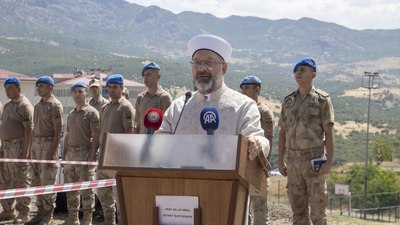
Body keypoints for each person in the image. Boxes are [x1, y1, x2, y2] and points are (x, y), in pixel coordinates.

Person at [158, 33, 270, 178]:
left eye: (209, 63)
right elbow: (159, 143)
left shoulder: (243, 106)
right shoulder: (179, 107)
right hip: (179, 187)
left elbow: (257, 139)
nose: (201, 68)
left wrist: (257, 143)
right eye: (197, 63)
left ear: (224, 68)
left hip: (225, 190)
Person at [277, 57, 334, 225]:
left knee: (318, 213)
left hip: (314, 161)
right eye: (296, 70)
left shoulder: (322, 100)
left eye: (303, 69)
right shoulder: (289, 101)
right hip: (293, 162)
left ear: (313, 74)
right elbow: (282, 132)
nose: (298, 73)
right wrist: (280, 160)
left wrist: (329, 162)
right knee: (298, 213)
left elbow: (329, 133)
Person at [97, 74, 135, 225]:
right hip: (104, 154)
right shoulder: (105, 107)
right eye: (109, 87)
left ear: (121, 88)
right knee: (103, 194)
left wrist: (123, 158)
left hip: (117, 158)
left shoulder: (125, 107)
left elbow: (129, 133)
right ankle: (109, 222)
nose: (111, 90)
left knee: (119, 197)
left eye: (115, 87)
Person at [26, 76, 64, 225]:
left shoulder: (55, 105)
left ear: (50, 87)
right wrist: (30, 150)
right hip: (36, 144)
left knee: (47, 181)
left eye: (42, 86)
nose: (39, 88)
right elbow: (34, 129)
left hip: (48, 144)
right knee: (36, 180)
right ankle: (40, 212)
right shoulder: (38, 106)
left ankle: (48, 215)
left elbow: (58, 131)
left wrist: (51, 154)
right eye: (38, 86)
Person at [62, 82, 100, 225]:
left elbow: (96, 136)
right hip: (71, 155)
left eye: (80, 91)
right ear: (72, 94)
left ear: (86, 94)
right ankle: (73, 220)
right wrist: (65, 156)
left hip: (84, 154)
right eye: (75, 91)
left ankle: (87, 221)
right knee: (71, 190)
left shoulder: (92, 113)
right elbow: (67, 136)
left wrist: (92, 156)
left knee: (86, 190)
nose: (77, 94)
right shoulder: (71, 114)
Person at [240, 75, 274, 225]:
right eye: (242, 88)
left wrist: (263, 167)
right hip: (242, 164)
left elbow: (268, 142)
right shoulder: (242, 110)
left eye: (247, 87)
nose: (243, 91)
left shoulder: (264, 113)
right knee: (242, 208)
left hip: (259, 165)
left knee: (259, 209)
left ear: (257, 89)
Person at [0, 77, 33, 224]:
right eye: (6, 88)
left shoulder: (24, 105)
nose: (7, 90)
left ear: (18, 88)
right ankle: (8, 211)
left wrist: (25, 152)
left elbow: (29, 130)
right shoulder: (7, 106)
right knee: (6, 180)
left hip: (18, 146)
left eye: (10, 88)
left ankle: (24, 213)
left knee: (21, 180)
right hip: (6, 147)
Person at [134, 62, 172, 134]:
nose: (145, 78)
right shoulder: (140, 98)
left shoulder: (165, 98)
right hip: (140, 141)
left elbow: (168, 124)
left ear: (158, 77)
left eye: (148, 75)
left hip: (157, 142)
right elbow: (137, 124)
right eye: (144, 75)